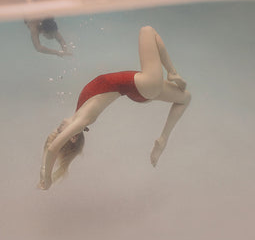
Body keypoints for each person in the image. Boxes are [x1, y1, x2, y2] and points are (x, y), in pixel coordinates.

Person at [38, 26, 191, 190]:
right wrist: (47, 177)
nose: (59, 125)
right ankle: (173, 73)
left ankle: (162, 140)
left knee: (185, 98)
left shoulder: (80, 111)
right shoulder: (82, 120)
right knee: (147, 31)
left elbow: (51, 148)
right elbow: (54, 149)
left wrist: (43, 167)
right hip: (142, 85)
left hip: (137, 88)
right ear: (73, 137)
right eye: (61, 131)